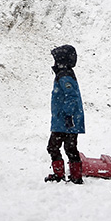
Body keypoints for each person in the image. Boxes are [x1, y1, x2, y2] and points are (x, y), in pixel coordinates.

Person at [45, 44, 85, 184]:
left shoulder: (64, 76)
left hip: (66, 121)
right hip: (66, 120)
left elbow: (71, 96)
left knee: (54, 147)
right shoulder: (65, 74)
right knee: (70, 147)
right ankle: (75, 176)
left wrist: (68, 116)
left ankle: (62, 175)